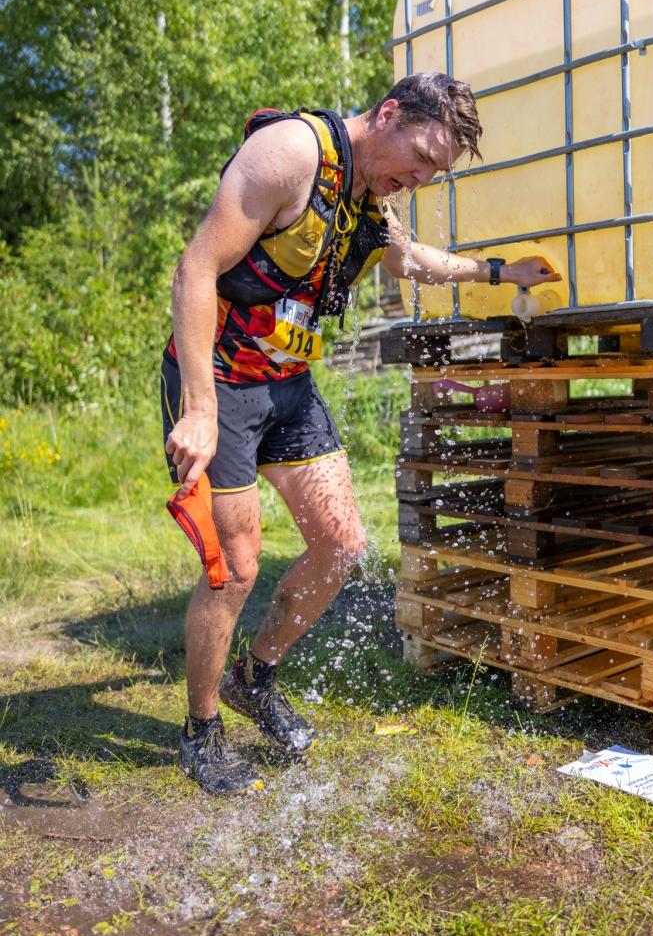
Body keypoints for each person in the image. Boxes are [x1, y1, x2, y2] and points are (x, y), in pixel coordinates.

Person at [161, 71, 559, 795]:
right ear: (388, 114)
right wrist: (198, 408)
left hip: (288, 386)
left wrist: (502, 271)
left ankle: (255, 677)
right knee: (236, 568)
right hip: (219, 382)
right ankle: (201, 729)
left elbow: (415, 262)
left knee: (341, 544)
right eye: (422, 158)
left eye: (434, 173)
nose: (420, 179)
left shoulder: (372, 201)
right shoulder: (290, 155)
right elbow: (195, 269)